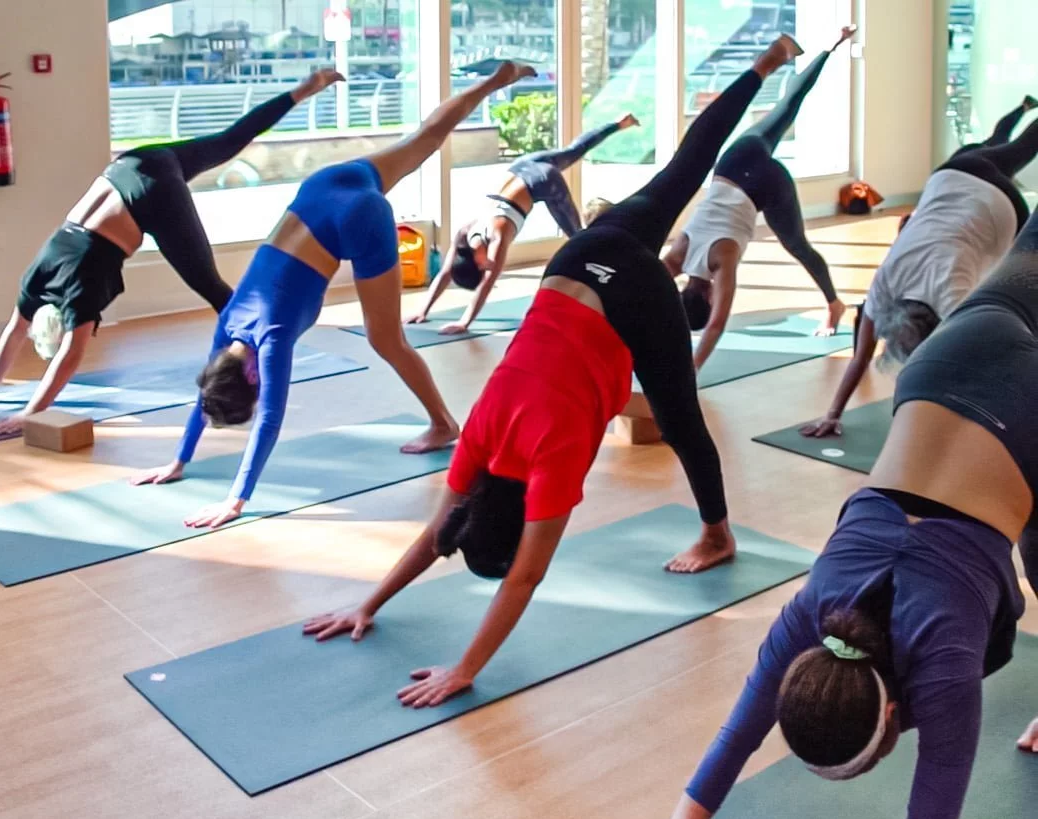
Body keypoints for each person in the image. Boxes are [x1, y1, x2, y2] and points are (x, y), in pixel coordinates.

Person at [579, 208, 1038, 819]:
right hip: (952, 361)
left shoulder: (940, 666)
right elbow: (739, 731)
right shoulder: (812, 614)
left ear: (893, 707)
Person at [302, 36, 804, 707]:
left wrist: (465, 669)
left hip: (628, 292)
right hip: (578, 260)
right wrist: (367, 605)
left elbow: (525, 580)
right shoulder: (478, 443)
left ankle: (718, 535)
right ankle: (762, 66)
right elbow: (437, 537)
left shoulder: (553, 465)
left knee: (682, 423)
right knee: (688, 165)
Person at [130, 62, 535, 530]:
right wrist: (178, 460)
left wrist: (235, 501)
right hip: (325, 187)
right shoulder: (229, 326)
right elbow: (207, 395)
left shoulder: (272, 340)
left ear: (252, 380)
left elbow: (270, 422)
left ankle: (445, 424)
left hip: (356, 219)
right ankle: (494, 80)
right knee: (425, 137)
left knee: (387, 340)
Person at [0, 70, 343, 437]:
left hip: (151, 194)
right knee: (229, 141)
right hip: (131, 164)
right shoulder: (36, 279)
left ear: (62, 319)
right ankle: (305, 89)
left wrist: (30, 412)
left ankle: (256, 357)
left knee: (212, 288)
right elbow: (15, 329)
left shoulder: (80, 294)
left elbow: (69, 357)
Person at [802, 94, 1038, 438]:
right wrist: (832, 414)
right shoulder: (883, 288)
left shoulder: (953, 302)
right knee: (1022, 146)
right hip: (953, 176)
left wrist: (833, 415)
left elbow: (861, 358)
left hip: (997, 206)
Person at [660, 26, 856, 371]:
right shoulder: (675, 259)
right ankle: (830, 44)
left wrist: (690, 373)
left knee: (798, 246)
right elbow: (639, 287)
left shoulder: (723, 262)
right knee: (786, 107)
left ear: (707, 295)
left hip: (765, 183)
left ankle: (834, 304)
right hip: (735, 163)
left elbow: (717, 325)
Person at [408, 115, 640, 334]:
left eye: (482, 268)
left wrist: (464, 322)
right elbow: (446, 272)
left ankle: (612, 273)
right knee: (573, 151)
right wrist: (423, 310)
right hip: (522, 166)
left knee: (580, 239)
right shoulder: (464, 235)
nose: (486, 268)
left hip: (544, 180)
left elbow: (487, 284)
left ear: (476, 263)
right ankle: (619, 123)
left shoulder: (498, 234)